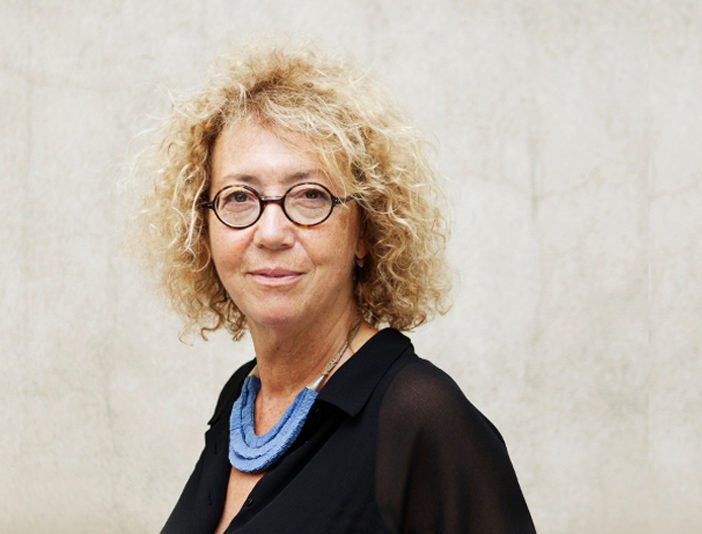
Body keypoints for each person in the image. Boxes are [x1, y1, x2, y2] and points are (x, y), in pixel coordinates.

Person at [139, 45, 536, 533]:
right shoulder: (242, 401)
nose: (271, 232)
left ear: (366, 230)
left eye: (311, 195)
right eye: (239, 197)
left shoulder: (421, 416)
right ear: (203, 230)